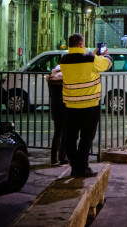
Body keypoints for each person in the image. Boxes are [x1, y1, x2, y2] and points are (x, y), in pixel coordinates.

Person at [60, 33, 112, 177]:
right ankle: (82, 168)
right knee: (86, 138)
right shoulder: (91, 59)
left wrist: (92, 55)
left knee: (70, 138)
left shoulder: (63, 60)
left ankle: (76, 167)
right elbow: (106, 64)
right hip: (90, 105)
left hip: (70, 105)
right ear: (82, 44)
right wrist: (105, 56)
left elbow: (80, 62)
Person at [47, 65, 68, 165]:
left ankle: (53, 158)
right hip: (65, 108)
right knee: (65, 135)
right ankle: (62, 158)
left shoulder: (51, 81)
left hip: (55, 109)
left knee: (57, 133)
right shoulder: (65, 81)